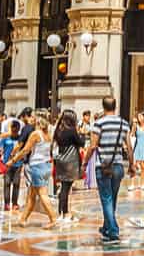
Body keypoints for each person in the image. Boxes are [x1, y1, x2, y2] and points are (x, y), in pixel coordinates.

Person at [90, 97, 132, 242]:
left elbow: (92, 146)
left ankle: (113, 230)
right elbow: (129, 147)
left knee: (106, 199)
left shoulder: (99, 123)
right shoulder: (124, 123)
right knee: (112, 198)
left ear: (103, 106)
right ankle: (106, 227)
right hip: (118, 166)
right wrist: (132, 165)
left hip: (103, 166)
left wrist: (84, 163)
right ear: (116, 106)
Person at [13, 110, 58, 229]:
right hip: (46, 165)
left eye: (33, 117)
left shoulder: (36, 134)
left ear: (38, 120)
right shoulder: (48, 134)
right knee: (32, 195)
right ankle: (23, 219)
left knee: (42, 194)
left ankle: (53, 218)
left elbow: (25, 150)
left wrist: (12, 160)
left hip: (37, 167)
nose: (31, 119)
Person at [52, 109, 85, 224]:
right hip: (70, 162)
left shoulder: (58, 131)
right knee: (66, 188)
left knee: (63, 187)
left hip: (60, 161)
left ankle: (61, 212)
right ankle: (65, 214)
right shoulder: (71, 131)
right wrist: (81, 134)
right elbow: (81, 143)